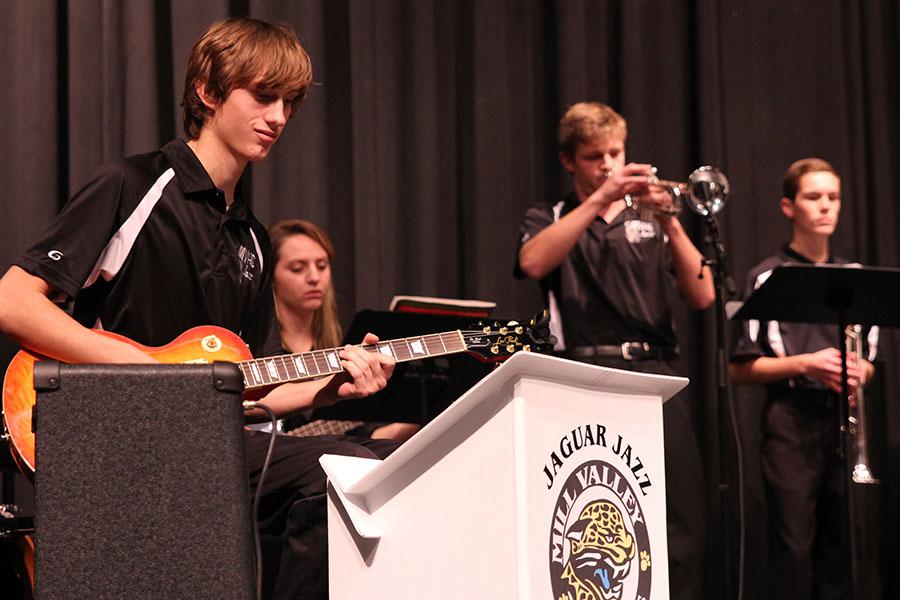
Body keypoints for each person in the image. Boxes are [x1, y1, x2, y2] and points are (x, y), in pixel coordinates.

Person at [0, 17, 396, 600]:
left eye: (288, 102)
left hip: (202, 444)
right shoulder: (133, 185)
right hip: (113, 434)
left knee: (381, 459)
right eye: (263, 96)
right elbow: (13, 300)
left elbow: (241, 391)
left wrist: (330, 388)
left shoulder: (254, 242)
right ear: (209, 92)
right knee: (341, 466)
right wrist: (146, 369)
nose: (279, 118)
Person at [515, 101, 714, 599]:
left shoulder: (649, 216)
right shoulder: (552, 214)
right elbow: (533, 262)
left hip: (653, 372)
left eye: (615, 153)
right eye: (593, 157)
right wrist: (599, 198)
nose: (608, 164)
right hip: (579, 371)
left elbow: (704, 294)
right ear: (568, 161)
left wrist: (670, 223)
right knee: (590, 506)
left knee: (680, 515)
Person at [729, 157, 877, 600]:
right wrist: (808, 364)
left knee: (843, 544)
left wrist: (854, 372)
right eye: (814, 197)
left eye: (833, 197)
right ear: (789, 207)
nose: (826, 207)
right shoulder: (767, 277)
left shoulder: (855, 278)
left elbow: (869, 362)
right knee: (793, 545)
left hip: (840, 419)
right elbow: (740, 368)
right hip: (789, 422)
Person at [269, 218, 418, 441]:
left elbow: (367, 434)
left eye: (322, 266)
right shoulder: (264, 352)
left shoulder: (342, 347)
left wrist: (425, 415)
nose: (314, 278)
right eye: (298, 268)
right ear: (270, 277)